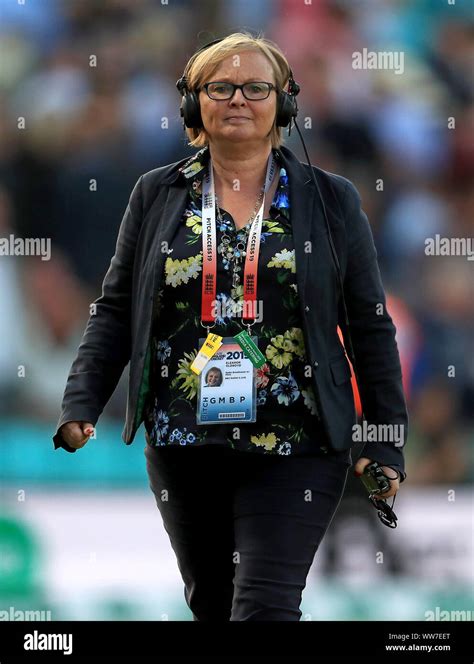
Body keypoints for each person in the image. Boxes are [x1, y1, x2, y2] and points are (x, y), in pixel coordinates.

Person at [52, 32, 408, 621]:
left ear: (284, 105)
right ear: (194, 104)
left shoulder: (331, 200)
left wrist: (384, 439)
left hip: (301, 439)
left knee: (265, 609)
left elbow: (370, 326)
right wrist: (82, 401)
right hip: (184, 441)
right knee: (213, 606)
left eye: (255, 88)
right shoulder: (156, 193)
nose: (237, 99)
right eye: (219, 87)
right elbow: (116, 308)